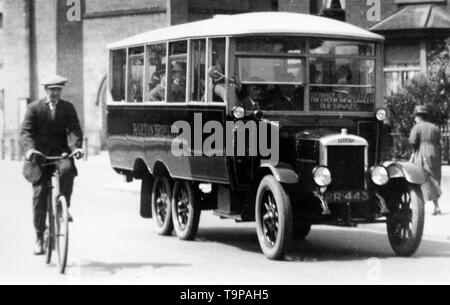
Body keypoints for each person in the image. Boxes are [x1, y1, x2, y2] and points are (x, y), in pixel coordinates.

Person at [20, 75, 84, 255]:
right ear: (45, 90)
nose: (55, 93)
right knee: (39, 196)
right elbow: (26, 132)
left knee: (68, 170)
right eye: (51, 90)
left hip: (60, 154)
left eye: (58, 90)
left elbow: (74, 130)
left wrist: (76, 147)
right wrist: (30, 150)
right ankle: (39, 237)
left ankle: (63, 208)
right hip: (39, 158)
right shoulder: (34, 108)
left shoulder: (67, 107)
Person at [409, 105, 443, 216]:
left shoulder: (417, 127)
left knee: (421, 177)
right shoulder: (435, 127)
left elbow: (413, 141)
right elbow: (439, 141)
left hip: (422, 153)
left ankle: (420, 205)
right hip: (435, 153)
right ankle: (436, 205)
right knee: (434, 178)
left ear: (418, 116)